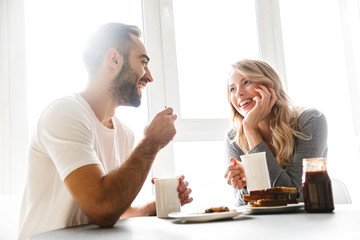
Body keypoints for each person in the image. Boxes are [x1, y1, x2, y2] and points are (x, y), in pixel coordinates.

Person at [18, 23, 193, 240]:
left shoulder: (124, 134)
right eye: (143, 63)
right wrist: (151, 142)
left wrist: (149, 208)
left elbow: (114, 209)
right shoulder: (65, 113)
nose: (149, 76)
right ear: (114, 59)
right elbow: (101, 208)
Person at [223, 59, 328, 206]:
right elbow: (241, 205)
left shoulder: (310, 120)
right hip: (262, 225)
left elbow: (295, 196)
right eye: (232, 89)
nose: (238, 93)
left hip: (307, 222)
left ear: (268, 86)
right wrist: (249, 181)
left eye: (246, 82)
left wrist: (251, 130)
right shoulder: (233, 137)